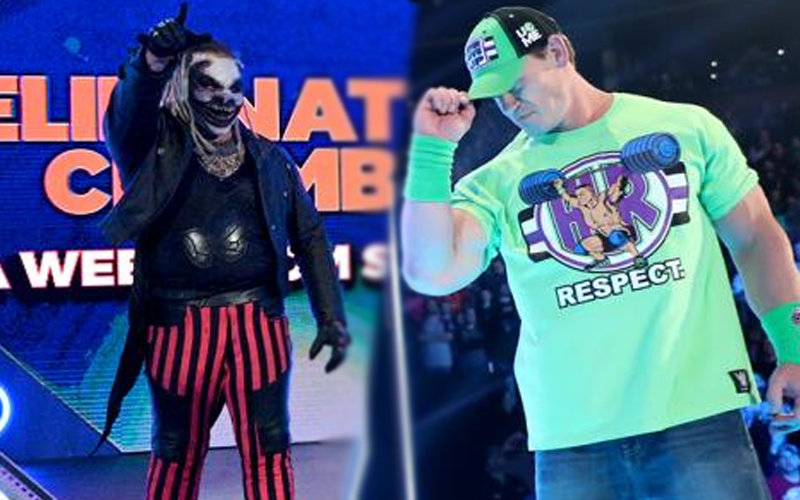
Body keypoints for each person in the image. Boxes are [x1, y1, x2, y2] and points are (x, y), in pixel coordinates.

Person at [401, 6, 800, 500]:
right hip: (572, 439)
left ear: (558, 52)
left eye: (516, 85)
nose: (509, 104)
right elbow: (431, 272)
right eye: (496, 95)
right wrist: (430, 151)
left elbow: (756, 236)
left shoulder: (684, 128)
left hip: (696, 417)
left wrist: (793, 348)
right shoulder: (496, 181)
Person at [95, 5, 350, 500]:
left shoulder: (271, 159)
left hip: (259, 324)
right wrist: (149, 63)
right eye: (209, 85)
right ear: (185, 87)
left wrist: (330, 316)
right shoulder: (153, 150)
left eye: (234, 87)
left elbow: (311, 237)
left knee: (270, 449)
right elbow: (127, 115)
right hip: (179, 327)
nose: (225, 98)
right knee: (175, 451)